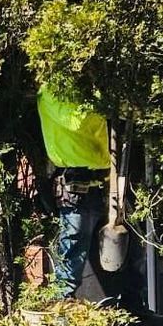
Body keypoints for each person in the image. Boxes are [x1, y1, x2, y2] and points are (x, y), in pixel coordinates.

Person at [37, 89, 112, 296]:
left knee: (126, 253)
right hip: (75, 185)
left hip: (105, 181)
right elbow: (77, 122)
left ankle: (134, 309)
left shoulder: (88, 91)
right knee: (72, 255)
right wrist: (106, 105)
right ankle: (61, 313)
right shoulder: (51, 91)